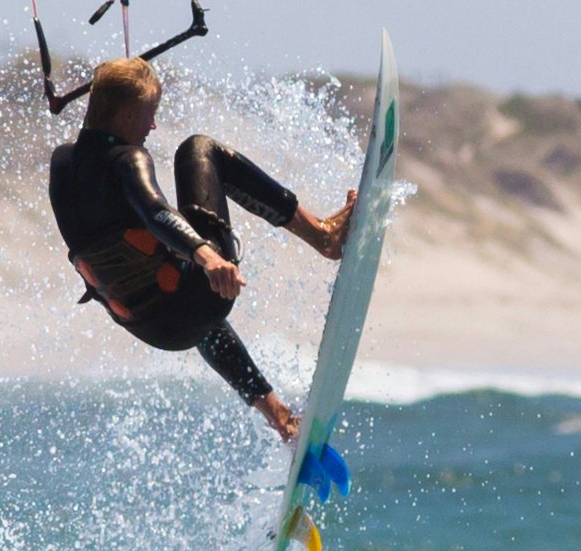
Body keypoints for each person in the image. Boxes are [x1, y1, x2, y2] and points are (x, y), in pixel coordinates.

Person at [44, 56, 351, 438]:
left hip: (153, 326)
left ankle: (279, 416)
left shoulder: (63, 163)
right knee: (199, 150)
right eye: (148, 113)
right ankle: (325, 236)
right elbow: (154, 210)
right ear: (124, 116)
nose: (152, 125)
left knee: (174, 286)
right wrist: (208, 257)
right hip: (191, 300)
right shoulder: (128, 159)